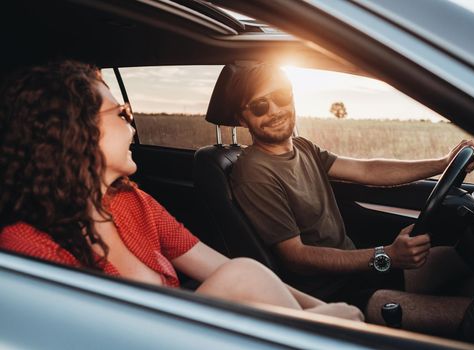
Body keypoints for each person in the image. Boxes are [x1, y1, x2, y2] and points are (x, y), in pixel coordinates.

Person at [0, 60, 364, 322]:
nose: (133, 126)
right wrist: (326, 322)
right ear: (75, 132)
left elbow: (239, 271)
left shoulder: (132, 202)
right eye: (122, 114)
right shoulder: (26, 248)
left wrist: (319, 313)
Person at [228, 63, 474, 336]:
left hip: (359, 272)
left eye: (281, 97)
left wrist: (442, 163)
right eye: (259, 106)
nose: (275, 110)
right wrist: (386, 255)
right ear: (242, 119)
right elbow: (296, 257)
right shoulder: (254, 172)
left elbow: (366, 169)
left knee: (467, 260)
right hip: (331, 297)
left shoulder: (303, 148)